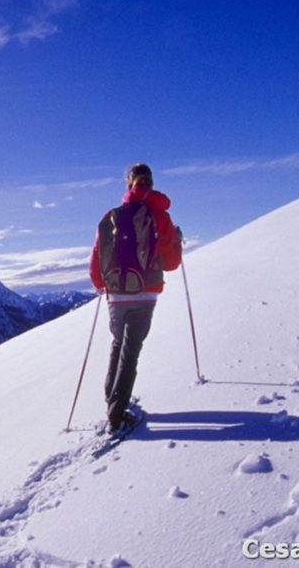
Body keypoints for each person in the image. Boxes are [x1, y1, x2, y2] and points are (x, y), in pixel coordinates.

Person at [89, 163, 182, 433]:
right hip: (145, 291)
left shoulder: (112, 216)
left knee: (118, 345)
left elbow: (96, 254)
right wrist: (175, 240)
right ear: (150, 183)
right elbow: (172, 262)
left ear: (128, 184)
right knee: (131, 352)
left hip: (115, 292)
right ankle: (117, 417)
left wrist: (101, 284)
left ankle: (112, 399)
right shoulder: (159, 215)